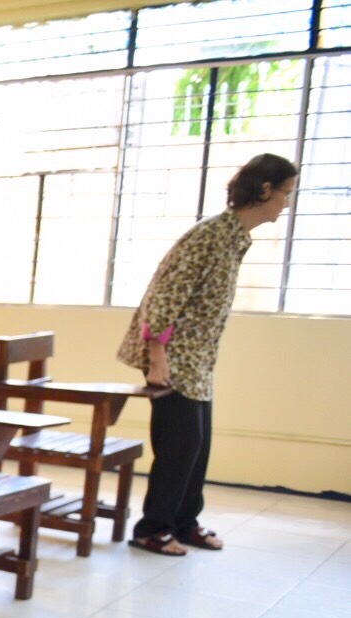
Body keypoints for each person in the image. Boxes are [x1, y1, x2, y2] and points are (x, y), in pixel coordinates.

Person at [120, 153, 298, 556]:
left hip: (198, 361)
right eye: (286, 193)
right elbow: (166, 295)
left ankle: (183, 523)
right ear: (265, 189)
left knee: (196, 447)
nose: (286, 203)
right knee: (180, 445)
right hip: (174, 358)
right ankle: (152, 529)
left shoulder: (234, 238)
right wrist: (157, 357)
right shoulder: (210, 235)